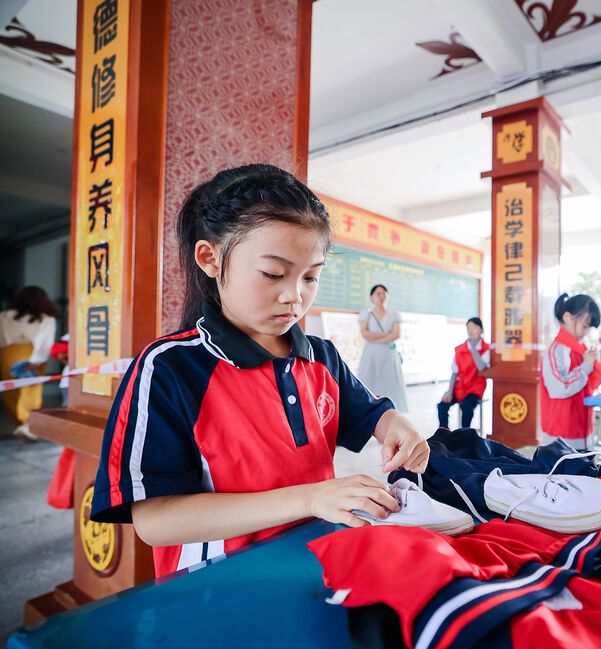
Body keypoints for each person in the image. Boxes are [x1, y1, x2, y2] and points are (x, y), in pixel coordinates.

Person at [88, 164, 430, 578]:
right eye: (273, 274)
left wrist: (399, 428)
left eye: (310, 277)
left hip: (316, 565)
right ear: (210, 258)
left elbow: (371, 415)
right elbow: (155, 521)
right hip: (217, 585)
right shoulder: (170, 368)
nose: (294, 295)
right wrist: (309, 499)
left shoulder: (320, 357)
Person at [541, 292, 601, 449]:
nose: (586, 331)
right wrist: (586, 366)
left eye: (589, 327)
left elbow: (590, 384)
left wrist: (597, 367)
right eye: (585, 326)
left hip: (580, 427)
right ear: (568, 318)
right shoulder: (556, 349)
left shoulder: (580, 347)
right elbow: (558, 388)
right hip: (560, 433)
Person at [0, 285, 58, 439]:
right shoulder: (46, 319)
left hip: (7, 354)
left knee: (11, 391)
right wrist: (36, 360)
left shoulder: (4, 316)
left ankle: (23, 423)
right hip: (31, 353)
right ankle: (29, 424)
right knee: (31, 390)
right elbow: (44, 342)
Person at [357, 283, 408, 412]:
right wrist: (386, 335)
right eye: (378, 293)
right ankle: (368, 411)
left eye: (384, 293)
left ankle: (391, 412)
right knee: (369, 383)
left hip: (389, 356)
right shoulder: (366, 314)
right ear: (372, 297)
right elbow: (365, 333)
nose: (381, 296)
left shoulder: (394, 314)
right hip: (370, 355)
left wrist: (377, 338)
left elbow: (396, 334)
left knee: (390, 384)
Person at [437, 317, 490, 430]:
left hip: (475, 388)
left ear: (481, 330)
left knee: (466, 406)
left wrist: (473, 349)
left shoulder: (486, 349)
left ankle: (464, 434)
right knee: (442, 405)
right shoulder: (460, 349)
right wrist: (449, 392)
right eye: (468, 328)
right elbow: (454, 373)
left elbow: (481, 366)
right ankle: (444, 432)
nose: (471, 331)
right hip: (460, 387)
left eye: (474, 328)